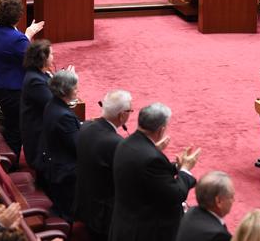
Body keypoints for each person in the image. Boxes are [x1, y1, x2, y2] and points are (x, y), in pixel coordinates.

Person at [109, 102, 201, 241]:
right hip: (144, 232)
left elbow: (148, 173)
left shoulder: (126, 143)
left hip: (124, 224)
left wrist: (176, 166)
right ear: (161, 130)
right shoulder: (152, 158)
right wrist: (185, 170)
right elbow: (176, 194)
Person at [0, 0, 44, 164]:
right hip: (14, 91)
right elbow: (35, 60)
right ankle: (10, 166)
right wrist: (28, 35)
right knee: (17, 129)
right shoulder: (16, 38)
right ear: (18, 15)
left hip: (0, 85)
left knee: (12, 126)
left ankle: (9, 161)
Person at [74, 90, 133, 241]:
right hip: (104, 215)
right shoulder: (115, 143)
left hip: (84, 202)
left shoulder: (86, 126)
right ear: (122, 115)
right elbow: (128, 177)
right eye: (130, 110)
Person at [35, 69, 81, 221]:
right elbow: (77, 146)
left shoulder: (52, 103)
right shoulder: (63, 115)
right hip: (64, 171)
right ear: (65, 91)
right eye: (75, 87)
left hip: (53, 160)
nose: (77, 90)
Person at [175, 171, 235, 241]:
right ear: (218, 201)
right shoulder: (219, 236)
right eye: (231, 196)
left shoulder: (191, 212)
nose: (233, 200)